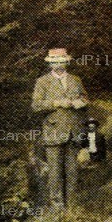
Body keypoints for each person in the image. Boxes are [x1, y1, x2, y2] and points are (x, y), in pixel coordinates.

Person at [30, 48, 88, 211]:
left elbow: (85, 98)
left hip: (73, 131)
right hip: (53, 132)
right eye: (54, 62)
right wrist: (56, 103)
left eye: (61, 61)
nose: (58, 65)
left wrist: (80, 102)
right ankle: (57, 206)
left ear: (66, 62)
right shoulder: (42, 82)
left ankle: (72, 205)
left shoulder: (75, 80)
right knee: (54, 171)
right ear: (50, 64)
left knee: (72, 171)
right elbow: (36, 106)